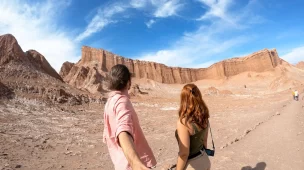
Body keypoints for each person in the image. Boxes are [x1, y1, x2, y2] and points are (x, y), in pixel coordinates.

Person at [103, 64, 156, 170]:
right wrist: (136, 163)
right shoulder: (122, 101)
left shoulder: (109, 102)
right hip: (132, 165)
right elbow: (123, 131)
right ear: (128, 82)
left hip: (121, 164)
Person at [174, 84, 211, 170]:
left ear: (183, 99)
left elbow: (184, 153)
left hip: (192, 165)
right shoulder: (204, 117)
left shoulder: (183, 122)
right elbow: (204, 141)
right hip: (205, 160)